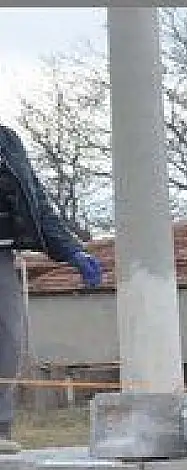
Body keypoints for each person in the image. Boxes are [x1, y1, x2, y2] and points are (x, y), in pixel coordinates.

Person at [0, 123, 102, 453]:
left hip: (2, 254)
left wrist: (71, 249)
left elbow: (36, 202)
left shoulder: (7, 140)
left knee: (9, 339)